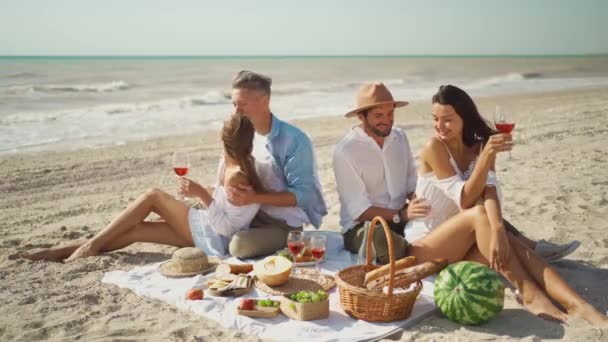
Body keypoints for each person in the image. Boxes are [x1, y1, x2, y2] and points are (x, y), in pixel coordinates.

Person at [403, 84, 606, 325]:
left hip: (465, 241)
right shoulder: (434, 147)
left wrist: (499, 230)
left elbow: (489, 192)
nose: (439, 126)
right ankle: (529, 293)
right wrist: (487, 156)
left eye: (447, 119)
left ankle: (578, 305)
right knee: (480, 215)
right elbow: (466, 200)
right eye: (435, 119)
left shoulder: (479, 145)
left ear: (464, 118)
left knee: (517, 249)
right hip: (426, 247)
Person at [23, 114, 262, 261]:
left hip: (213, 236)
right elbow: (224, 201)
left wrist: (199, 193)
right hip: (205, 226)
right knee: (135, 230)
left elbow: (228, 227)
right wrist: (204, 192)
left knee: (153, 195)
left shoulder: (239, 175)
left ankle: (90, 246)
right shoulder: (229, 161)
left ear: (225, 138)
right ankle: (60, 251)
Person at [225, 70, 327, 258]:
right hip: (248, 214)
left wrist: (255, 198)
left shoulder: (294, 140)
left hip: (282, 223)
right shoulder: (242, 134)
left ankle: (296, 242)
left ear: (265, 101)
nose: (236, 111)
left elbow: (304, 196)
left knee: (239, 246)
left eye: (242, 105)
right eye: (234, 104)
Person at [333, 82, 431, 264]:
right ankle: (421, 253)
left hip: (402, 215)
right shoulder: (345, 151)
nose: (387, 120)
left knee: (442, 219)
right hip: (363, 226)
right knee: (386, 244)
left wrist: (417, 200)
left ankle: (421, 250)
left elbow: (411, 180)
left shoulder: (400, 138)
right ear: (361, 117)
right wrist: (400, 216)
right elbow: (359, 211)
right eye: (379, 115)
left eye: (390, 113)